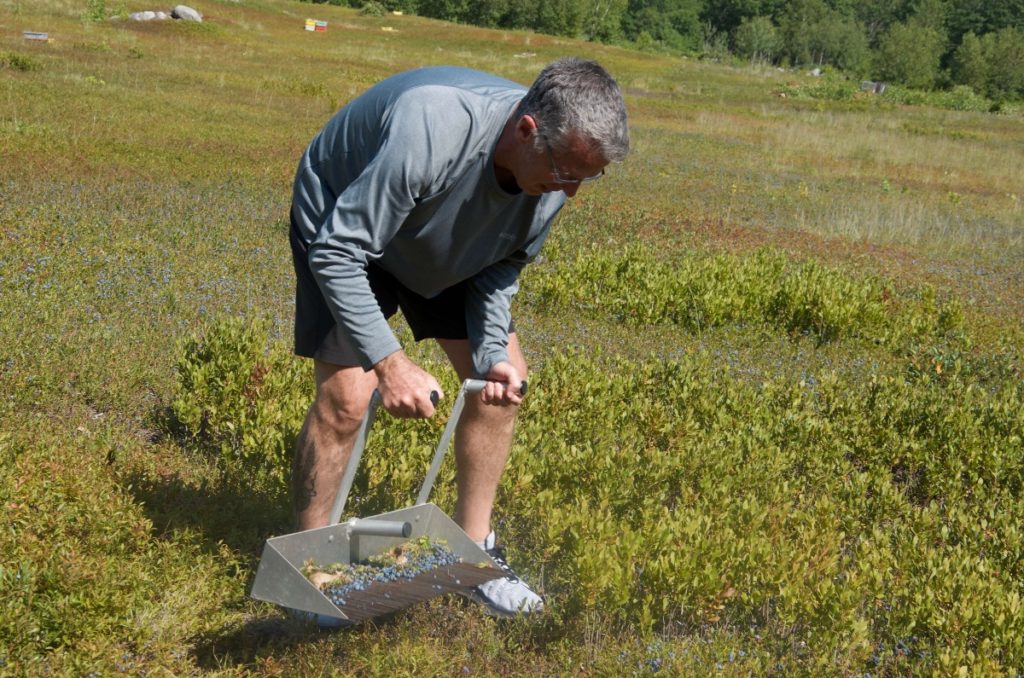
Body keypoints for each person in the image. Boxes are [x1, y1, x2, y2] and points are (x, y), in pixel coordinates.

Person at [288, 57, 629, 620]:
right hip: (346, 223)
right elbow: (339, 250)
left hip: (446, 235)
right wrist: (389, 364)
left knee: (505, 385)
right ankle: (310, 570)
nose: (570, 193)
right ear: (527, 131)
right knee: (347, 399)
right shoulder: (432, 127)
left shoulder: (551, 176)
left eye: (585, 178)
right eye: (566, 172)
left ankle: (474, 557)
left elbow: (498, 269)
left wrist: (492, 356)